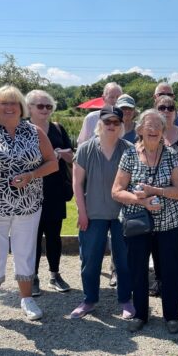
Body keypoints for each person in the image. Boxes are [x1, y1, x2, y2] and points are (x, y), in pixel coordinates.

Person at [0, 85, 58, 330]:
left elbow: (52, 162)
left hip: (28, 204)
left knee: (25, 252)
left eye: (13, 103)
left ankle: (27, 299)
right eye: (3, 103)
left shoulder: (34, 131)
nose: (9, 107)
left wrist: (32, 175)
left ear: (21, 107)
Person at [112, 109, 178, 334]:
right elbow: (116, 191)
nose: (153, 129)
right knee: (138, 271)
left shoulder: (171, 154)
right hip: (138, 224)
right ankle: (141, 314)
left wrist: (155, 191)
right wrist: (141, 200)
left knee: (170, 271)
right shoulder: (129, 155)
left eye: (158, 126)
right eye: (149, 125)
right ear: (140, 130)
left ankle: (172, 316)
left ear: (164, 130)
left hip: (168, 224)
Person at [69, 106, 134, 319]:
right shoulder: (86, 149)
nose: (112, 126)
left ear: (122, 125)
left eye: (116, 122)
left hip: (122, 214)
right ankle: (89, 300)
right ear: (100, 124)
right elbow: (77, 183)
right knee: (90, 260)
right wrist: (82, 212)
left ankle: (125, 299)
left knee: (124, 260)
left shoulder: (129, 149)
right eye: (108, 122)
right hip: (93, 212)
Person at [26, 89, 73, 297]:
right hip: (30, 190)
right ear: (29, 108)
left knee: (54, 235)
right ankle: (32, 277)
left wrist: (63, 154)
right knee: (32, 237)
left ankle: (55, 274)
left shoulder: (57, 128)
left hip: (55, 190)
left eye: (49, 106)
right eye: (40, 106)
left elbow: (72, 156)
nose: (45, 110)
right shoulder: (23, 130)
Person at [149, 94, 178, 296]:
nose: (166, 111)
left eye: (170, 107)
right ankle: (159, 278)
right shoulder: (152, 134)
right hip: (157, 197)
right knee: (157, 240)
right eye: (162, 107)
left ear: (176, 112)